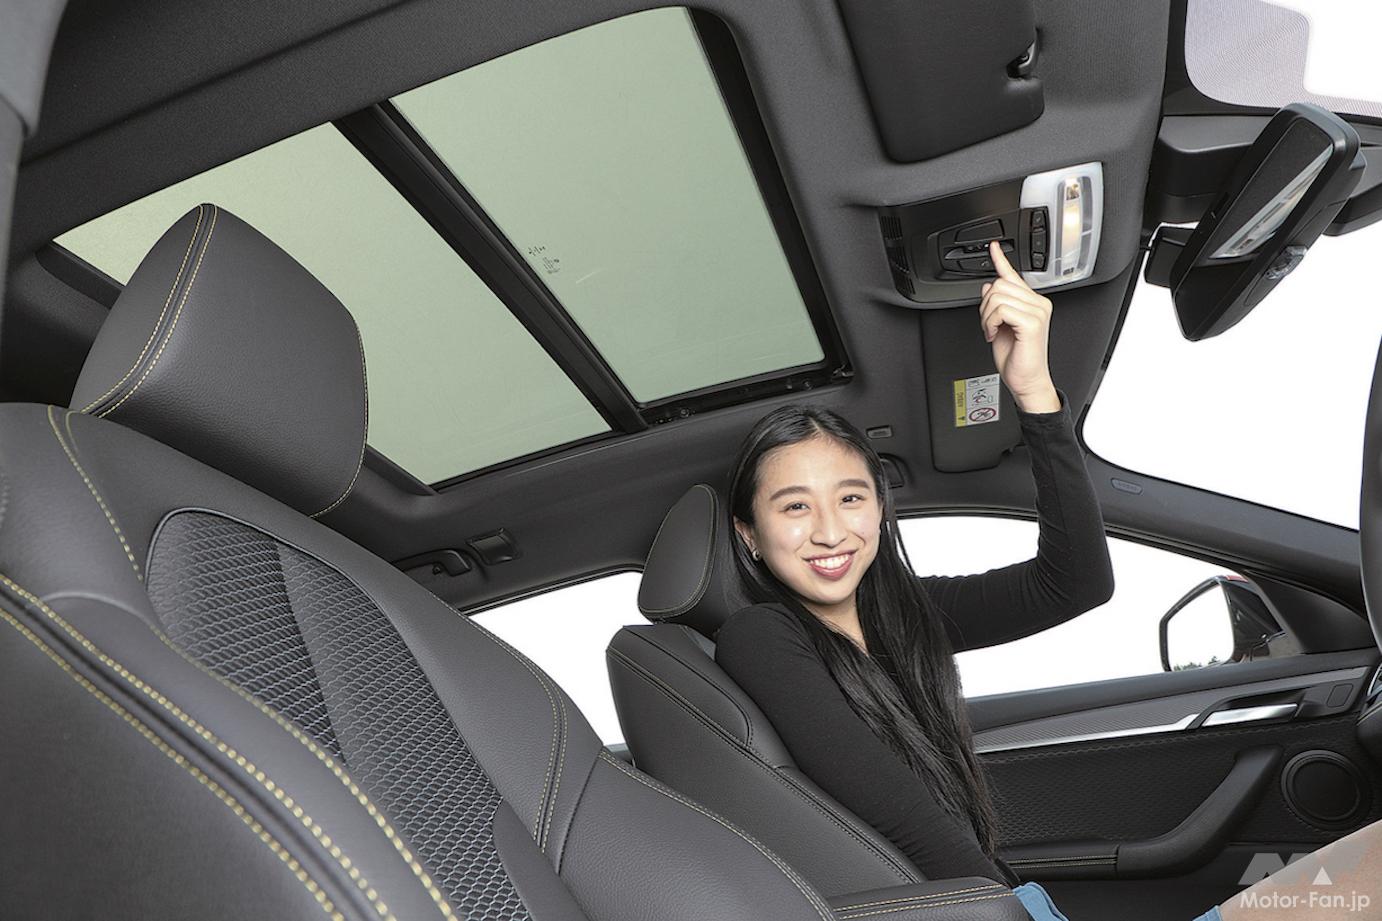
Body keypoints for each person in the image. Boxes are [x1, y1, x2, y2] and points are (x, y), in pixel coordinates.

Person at [712, 240, 1382, 920]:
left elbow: (1076, 582)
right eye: (794, 507)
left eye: (851, 498)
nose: (831, 530)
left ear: (881, 512)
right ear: (749, 533)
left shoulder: (903, 616)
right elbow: (894, 808)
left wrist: (1034, 392)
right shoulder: (761, 635)